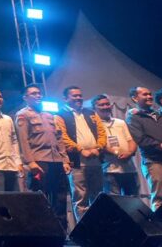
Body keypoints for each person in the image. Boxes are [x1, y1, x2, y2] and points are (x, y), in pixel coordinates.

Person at [15, 84, 70, 232]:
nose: (38, 95)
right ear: (25, 97)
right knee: (40, 198)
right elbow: (23, 140)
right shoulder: (23, 115)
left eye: (39, 93)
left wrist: (64, 160)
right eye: (33, 93)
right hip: (39, 161)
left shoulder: (49, 115)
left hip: (56, 161)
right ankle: (41, 231)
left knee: (60, 197)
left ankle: (62, 231)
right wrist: (30, 162)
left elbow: (59, 138)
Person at [54, 86, 106, 222]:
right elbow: (62, 137)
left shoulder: (91, 113)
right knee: (80, 197)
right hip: (77, 162)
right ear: (65, 98)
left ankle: (99, 226)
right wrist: (80, 150)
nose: (78, 98)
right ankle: (85, 229)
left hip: (95, 160)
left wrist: (99, 147)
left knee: (98, 196)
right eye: (75, 96)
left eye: (80, 95)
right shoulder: (60, 115)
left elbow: (102, 132)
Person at [127, 86, 162, 210]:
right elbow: (143, 140)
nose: (149, 96)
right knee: (160, 198)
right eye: (145, 94)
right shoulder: (134, 117)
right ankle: (161, 223)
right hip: (154, 162)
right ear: (135, 98)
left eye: (150, 94)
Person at [92, 94, 138, 196]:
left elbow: (131, 140)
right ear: (94, 108)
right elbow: (98, 144)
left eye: (107, 104)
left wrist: (129, 153)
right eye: (101, 105)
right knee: (114, 199)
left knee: (133, 199)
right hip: (109, 169)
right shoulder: (93, 125)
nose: (105, 107)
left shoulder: (120, 122)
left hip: (129, 168)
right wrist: (116, 153)